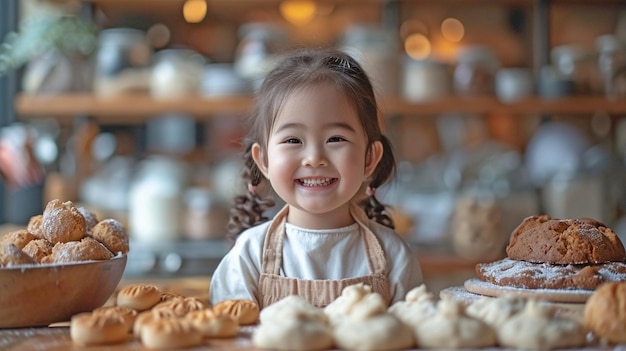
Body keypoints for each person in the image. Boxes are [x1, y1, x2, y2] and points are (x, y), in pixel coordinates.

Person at [209, 47, 422, 308]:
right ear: (263, 160)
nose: (314, 157)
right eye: (293, 140)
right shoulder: (249, 255)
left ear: (369, 158)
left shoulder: (394, 256)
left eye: (335, 139)